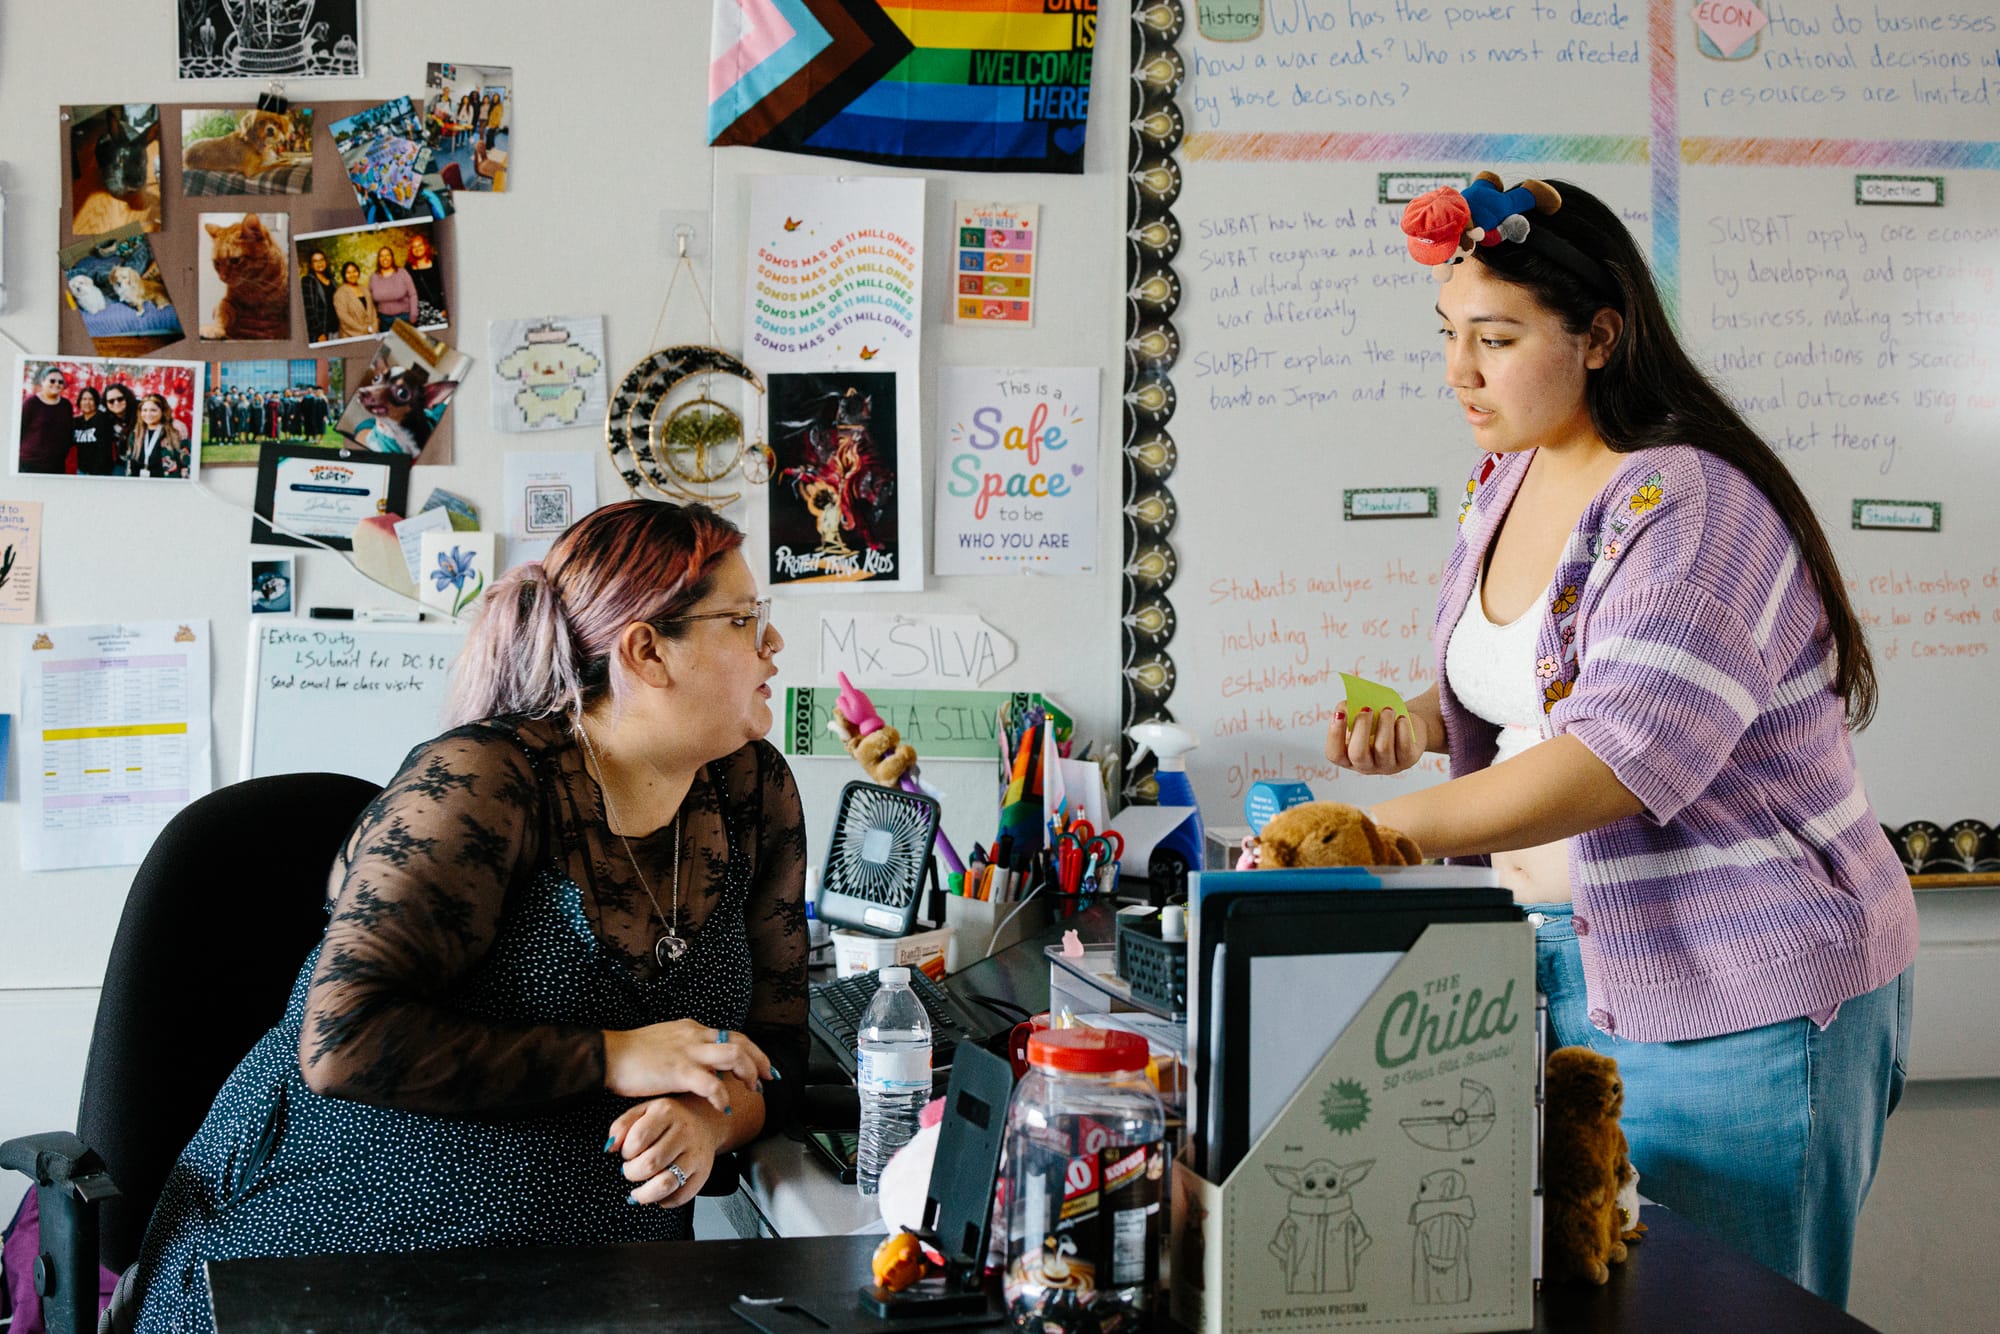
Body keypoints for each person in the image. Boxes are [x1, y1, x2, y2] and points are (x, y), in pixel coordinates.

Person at [1327, 178, 1917, 1309]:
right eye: (1448, 336)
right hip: (1552, 968)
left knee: (1725, 1310)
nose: (1459, 371)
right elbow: (1548, 678)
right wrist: (1423, 718)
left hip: (1736, 994)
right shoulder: (1508, 478)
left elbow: (1614, 753)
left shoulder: (1685, 502)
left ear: (1598, 336)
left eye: (1495, 340)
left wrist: (1371, 833)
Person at [120, 501, 805, 1333]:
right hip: (338, 1261)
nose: (771, 644)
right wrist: (613, 1056)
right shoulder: (486, 782)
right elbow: (343, 1044)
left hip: (596, 1283)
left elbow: (779, 1056)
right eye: (743, 619)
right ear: (647, 650)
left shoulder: (751, 791)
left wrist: (710, 1116)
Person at [17, 366, 75, 474]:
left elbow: (68, 433)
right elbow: (19, 431)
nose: (57, 384)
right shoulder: (31, 403)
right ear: (43, 382)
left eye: (60, 382)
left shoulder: (66, 405)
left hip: (56, 465)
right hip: (30, 464)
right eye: (52, 380)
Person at [133, 394, 189, 479]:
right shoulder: (136, 433)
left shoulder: (175, 431)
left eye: (153, 410)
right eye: (144, 410)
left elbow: (185, 462)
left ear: (163, 411)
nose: (148, 414)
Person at [369, 245, 418, 331]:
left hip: (404, 317)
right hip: (384, 320)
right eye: (382, 256)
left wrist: (413, 314)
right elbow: (371, 300)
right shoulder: (373, 277)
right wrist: (375, 318)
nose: (385, 258)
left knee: (406, 344)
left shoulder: (402, 273)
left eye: (387, 255)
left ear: (392, 257)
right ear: (378, 259)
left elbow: (413, 294)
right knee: (389, 344)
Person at [71, 385, 116, 475]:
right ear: (79, 402)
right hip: (82, 470)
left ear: (96, 401)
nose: (87, 402)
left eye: (91, 399)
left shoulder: (103, 419)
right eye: (84, 399)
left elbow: (105, 451)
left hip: (101, 473)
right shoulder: (76, 422)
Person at [333, 260, 377, 341]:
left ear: (358, 272)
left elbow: (372, 310)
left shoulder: (364, 289)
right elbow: (344, 318)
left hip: (371, 334)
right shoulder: (340, 293)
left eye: (354, 271)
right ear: (344, 275)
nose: (352, 274)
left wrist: (374, 327)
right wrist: (364, 330)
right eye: (348, 272)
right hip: (351, 336)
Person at [404, 231, 445, 319]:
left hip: (441, 309)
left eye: (420, 245)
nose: (417, 249)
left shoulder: (437, 262)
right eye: (414, 247)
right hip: (421, 311)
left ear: (425, 246)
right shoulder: (408, 268)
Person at [300, 248, 337, 344]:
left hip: (336, 330)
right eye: (315, 261)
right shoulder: (308, 281)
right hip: (321, 332)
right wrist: (319, 333)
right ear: (311, 265)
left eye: (321, 260)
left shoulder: (332, 281)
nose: (319, 263)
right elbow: (309, 309)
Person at [101, 383, 138, 475]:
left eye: (120, 399)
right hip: (120, 463)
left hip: (140, 463)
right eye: (111, 401)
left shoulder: (140, 411)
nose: (116, 403)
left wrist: (172, 421)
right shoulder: (105, 417)